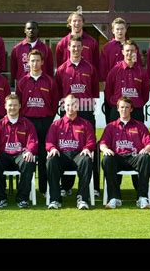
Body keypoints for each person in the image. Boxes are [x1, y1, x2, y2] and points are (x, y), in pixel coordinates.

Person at [55, 35, 99, 196]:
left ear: (82, 48)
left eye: (78, 46)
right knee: (67, 146)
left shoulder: (90, 68)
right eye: (73, 46)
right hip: (66, 111)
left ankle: (92, 187)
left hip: (86, 111)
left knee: (89, 149)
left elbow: (94, 91)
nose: (75, 49)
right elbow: (58, 93)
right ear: (68, 48)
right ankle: (66, 187)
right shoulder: (60, 70)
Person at [16, 49, 58, 195]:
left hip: (45, 122)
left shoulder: (50, 81)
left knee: (44, 153)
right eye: (32, 60)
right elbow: (19, 104)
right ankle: (27, 189)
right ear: (28, 62)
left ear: (42, 62)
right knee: (27, 154)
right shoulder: (22, 82)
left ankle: (44, 188)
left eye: (37, 60)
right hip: (27, 123)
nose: (35, 63)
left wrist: (48, 119)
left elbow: (54, 104)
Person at [99, 97, 150, 209]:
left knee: (146, 158)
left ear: (131, 109)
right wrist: (105, 149)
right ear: (118, 109)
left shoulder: (139, 126)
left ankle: (142, 198)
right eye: (122, 107)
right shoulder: (111, 126)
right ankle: (114, 198)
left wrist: (146, 149)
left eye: (127, 107)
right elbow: (102, 143)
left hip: (134, 157)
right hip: (117, 157)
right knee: (106, 159)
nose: (124, 110)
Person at [45, 94, 96, 210]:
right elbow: (49, 142)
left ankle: (82, 198)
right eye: (68, 105)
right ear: (64, 106)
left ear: (77, 106)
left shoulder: (86, 124)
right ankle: (55, 199)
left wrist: (87, 148)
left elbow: (91, 141)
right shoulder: (56, 124)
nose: (70, 107)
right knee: (51, 161)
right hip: (61, 155)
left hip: (79, 155)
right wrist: (52, 148)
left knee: (87, 160)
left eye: (73, 105)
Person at [0, 94, 38, 209]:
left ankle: (22, 199)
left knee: (29, 162)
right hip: (4, 155)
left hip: (20, 155)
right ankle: (0, 198)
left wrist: (30, 151)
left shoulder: (27, 124)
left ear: (20, 106)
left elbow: (33, 141)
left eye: (15, 105)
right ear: (5, 106)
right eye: (10, 105)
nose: (12, 108)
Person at [100, 17, 143, 123]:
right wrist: (107, 89)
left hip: (131, 86)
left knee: (134, 120)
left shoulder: (133, 47)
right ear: (113, 30)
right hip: (113, 88)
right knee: (112, 119)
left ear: (125, 30)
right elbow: (103, 69)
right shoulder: (107, 48)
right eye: (117, 29)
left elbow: (138, 67)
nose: (120, 31)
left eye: (122, 29)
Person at [105, 40, 149, 122]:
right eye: (127, 50)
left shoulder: (142, 72)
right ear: (123, 52)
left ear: (136, 51)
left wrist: (137, 103)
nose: (129, 53)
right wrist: (115, 104)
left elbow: (145, 94)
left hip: (136, 110)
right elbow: (108, 91)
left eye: (132, 50)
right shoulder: (115, 70)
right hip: (118, 110)